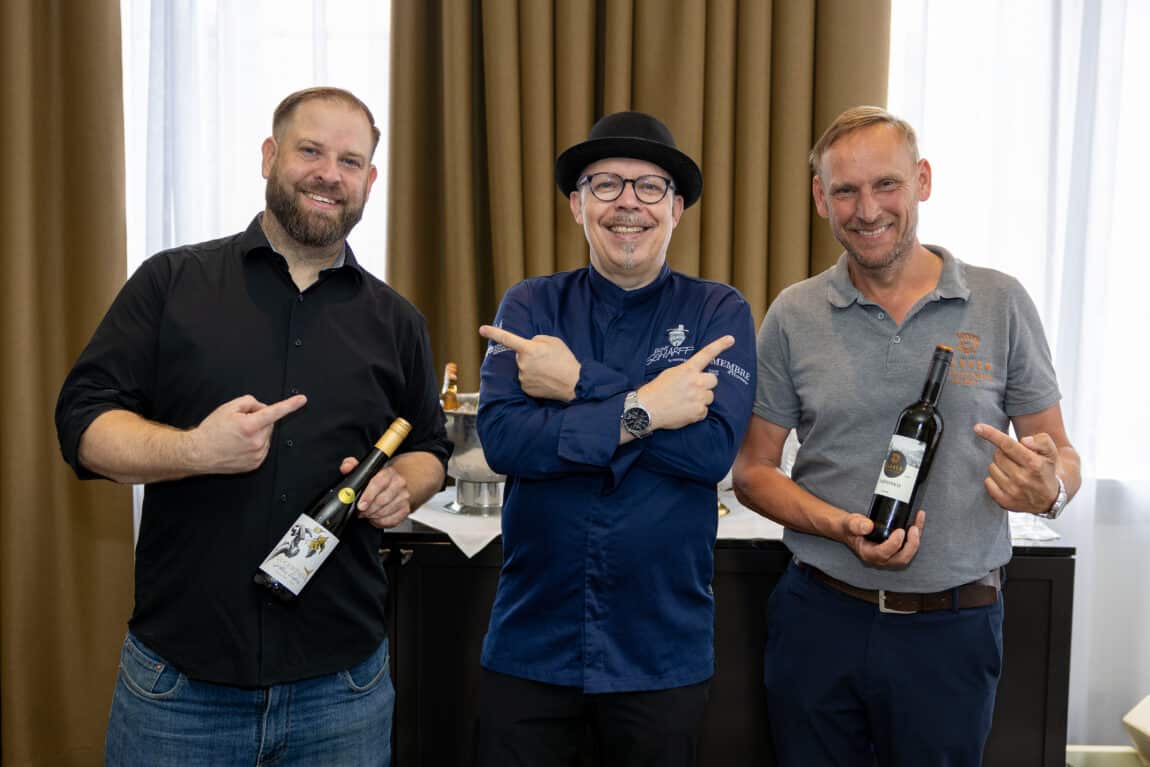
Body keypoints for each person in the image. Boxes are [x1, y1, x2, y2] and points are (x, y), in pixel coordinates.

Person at [55, 87, 451, 766]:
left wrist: (404, 484)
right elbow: (82, 425)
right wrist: (194, 449)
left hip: (344, 693)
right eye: (310, 151)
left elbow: (429, 448)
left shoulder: (397, 321)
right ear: (269, 156)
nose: (330, 174)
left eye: (350, 161)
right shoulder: (170, 283)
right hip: (180, 692)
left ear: (370, 180)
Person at [731, 105, 1081, 766]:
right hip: (819, 619)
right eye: (845, 191)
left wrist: (1051, 487)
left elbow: (1060, 454)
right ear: (820, 199)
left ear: (922, 180)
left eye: (885, 184)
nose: (867, 210)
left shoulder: (1000, 302)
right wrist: (840, 527)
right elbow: (753, 471)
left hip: (953, 627)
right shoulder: (793, 313)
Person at [473, 111, 756, 765]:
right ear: (578, 206)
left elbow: (711, 451)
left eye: (650, 186)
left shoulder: (719, 311)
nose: (628, 202)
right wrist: (650, 409)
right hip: (532, 640)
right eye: (606, 184)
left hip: (660, 647)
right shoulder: (529, 306)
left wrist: (577, 382)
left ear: (676, 209)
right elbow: (506, 440)